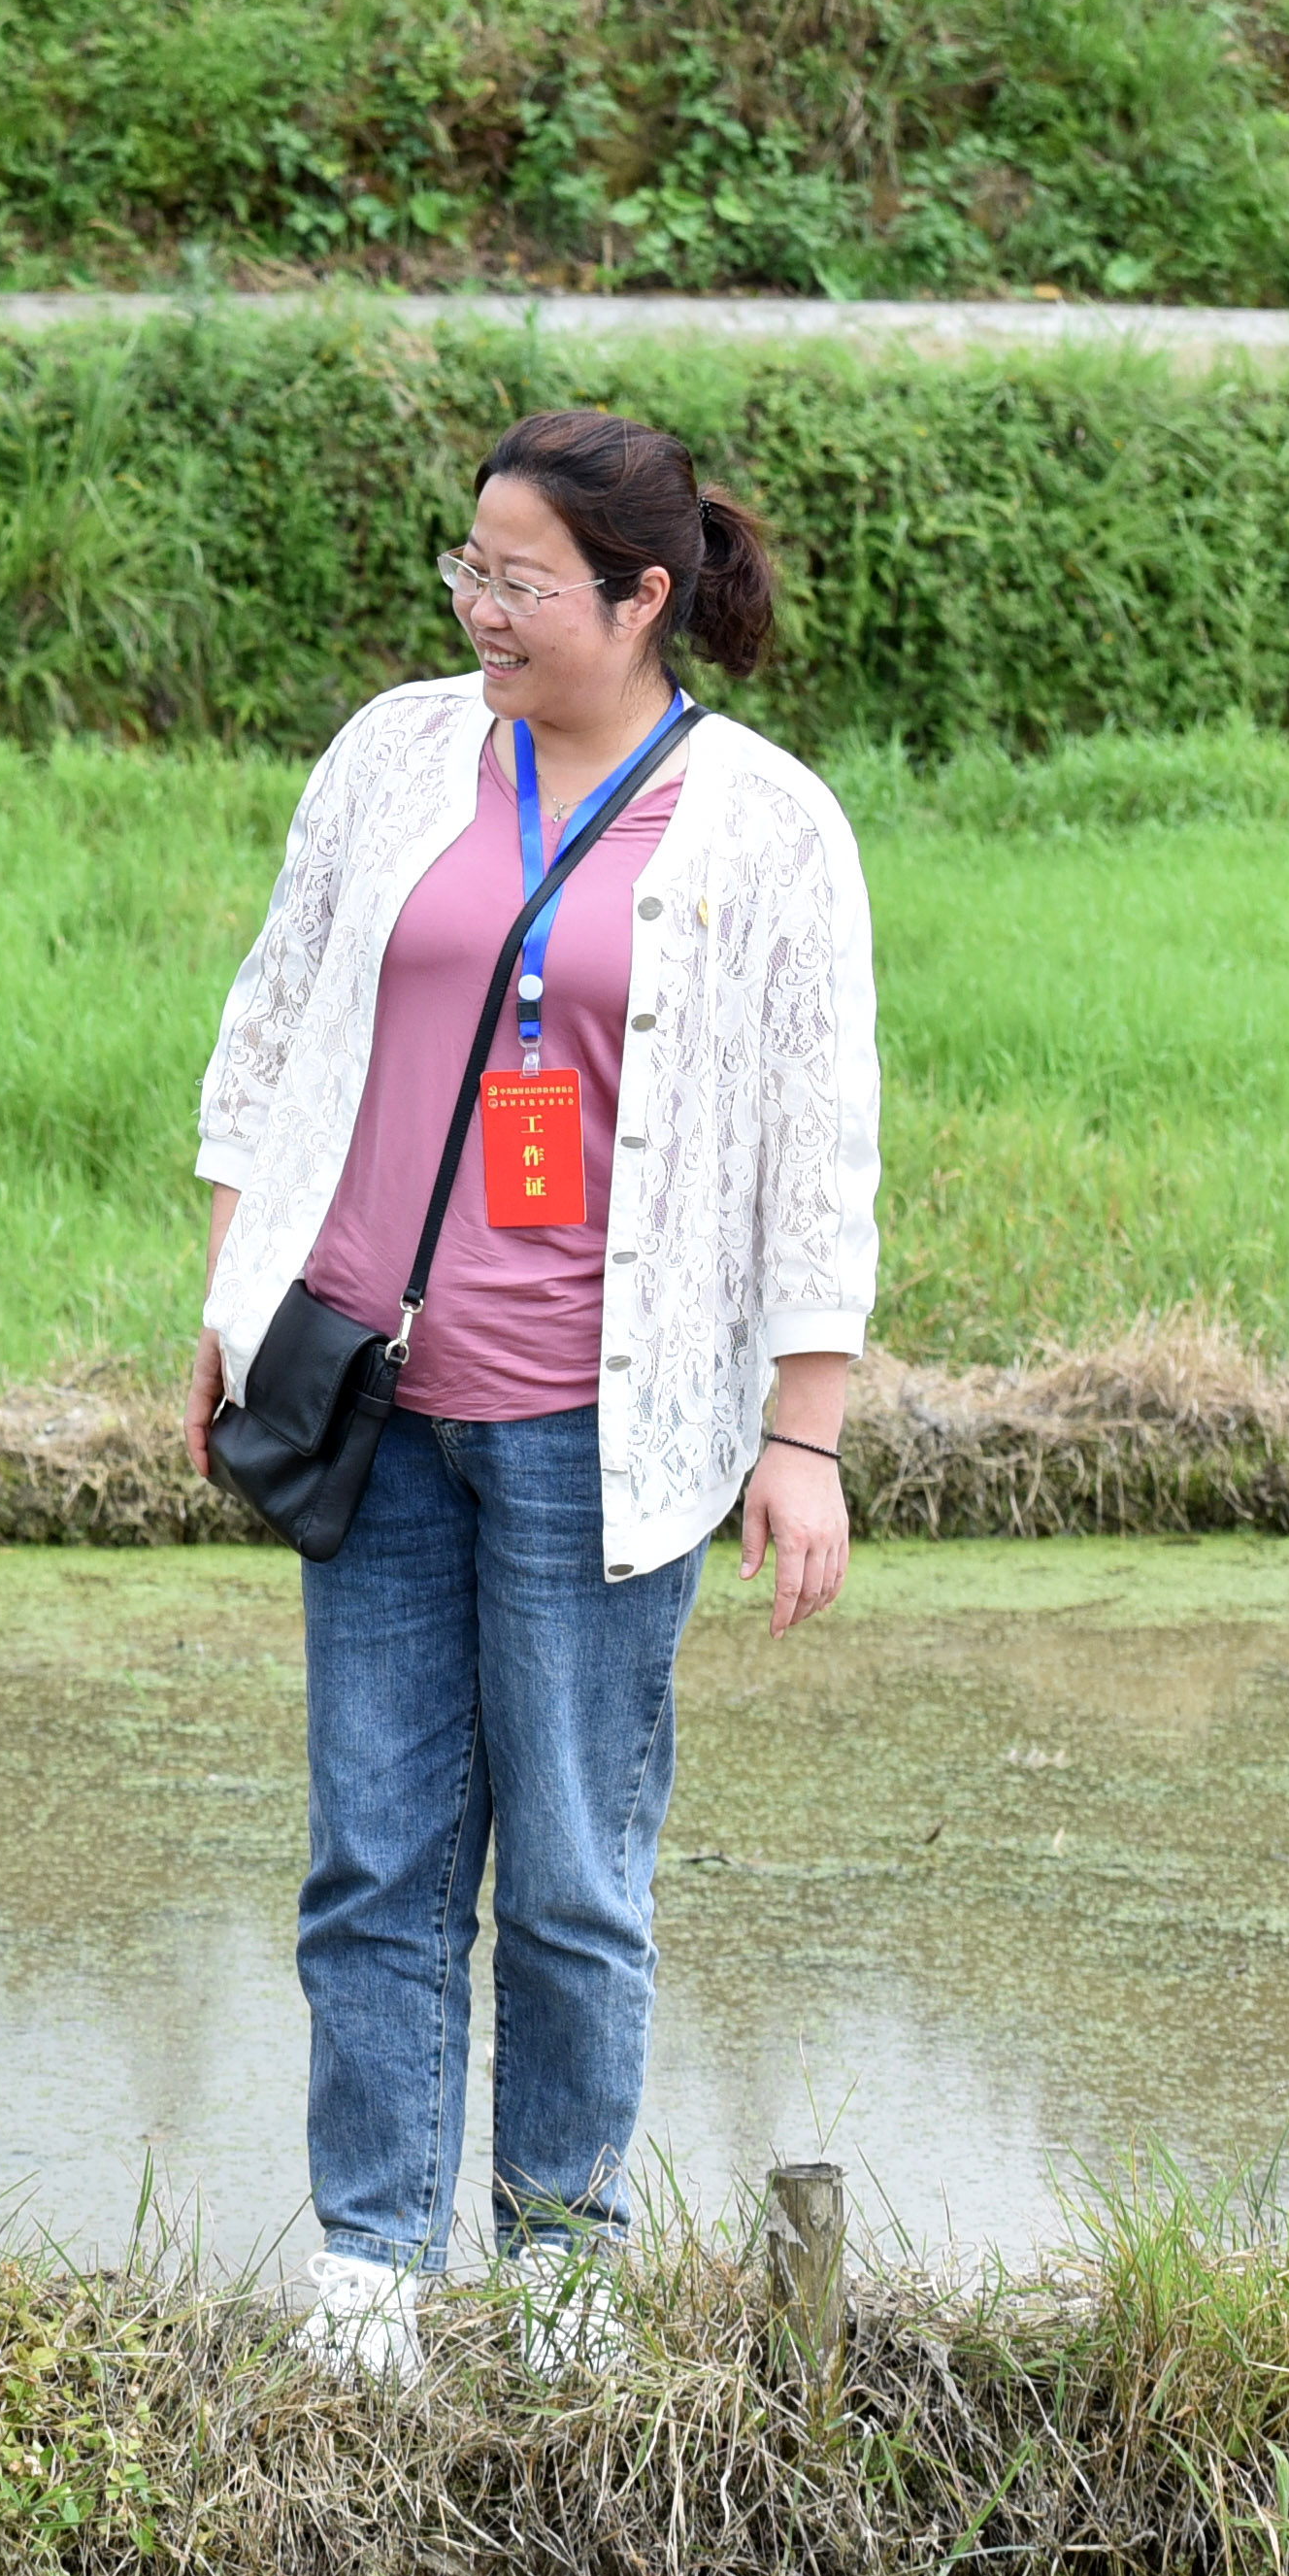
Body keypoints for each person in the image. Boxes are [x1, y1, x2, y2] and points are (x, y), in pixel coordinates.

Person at [191, 406, 879, 2383]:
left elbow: (821, 1145)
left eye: (521, 579)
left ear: (642, 595)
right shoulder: (399, 748)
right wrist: (235, 1301)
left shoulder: (763, 824)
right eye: (467, 570)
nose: (480, 607)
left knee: (575, 1870)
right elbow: (274, 1016)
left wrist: (802, 1431)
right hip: (379, 1392)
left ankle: (566, 2256)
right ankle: (375, 2273)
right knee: (376, 1853)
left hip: (606, 1428)